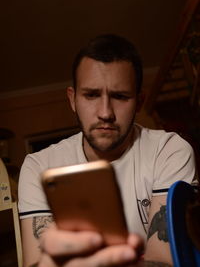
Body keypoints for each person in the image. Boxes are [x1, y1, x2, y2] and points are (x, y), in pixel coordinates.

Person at [18, 34, 197, 267]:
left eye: (120, 96)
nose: (105, 112)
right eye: (91, 95)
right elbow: (37, 262)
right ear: (72, 100)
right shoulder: (38, 166)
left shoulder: (169, 151)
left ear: (139, 102)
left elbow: (164, 260)